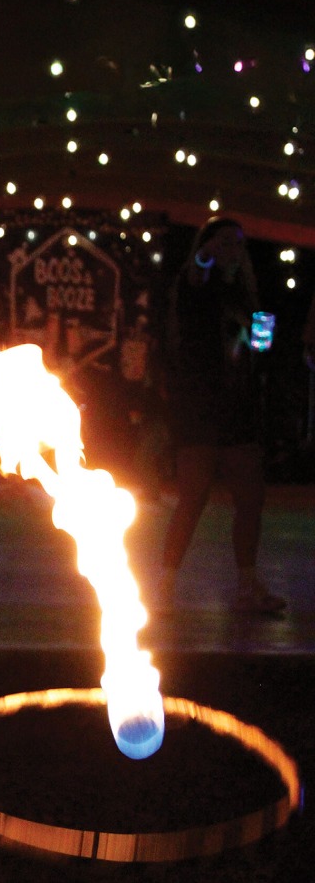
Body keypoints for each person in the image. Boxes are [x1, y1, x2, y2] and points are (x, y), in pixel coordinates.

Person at [155, 216, 285, 614]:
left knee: (251, 496)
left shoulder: (244, 291)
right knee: (193, 497)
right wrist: (206, 256)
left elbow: (259, 345)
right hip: (200, 406)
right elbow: (197, 273)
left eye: (239, 243)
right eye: (225, 241)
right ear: (207, 245)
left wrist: (261, 342)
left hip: (238, 406)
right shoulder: (198, 282)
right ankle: (164, 584)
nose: (234, 249)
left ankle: (247, 584)